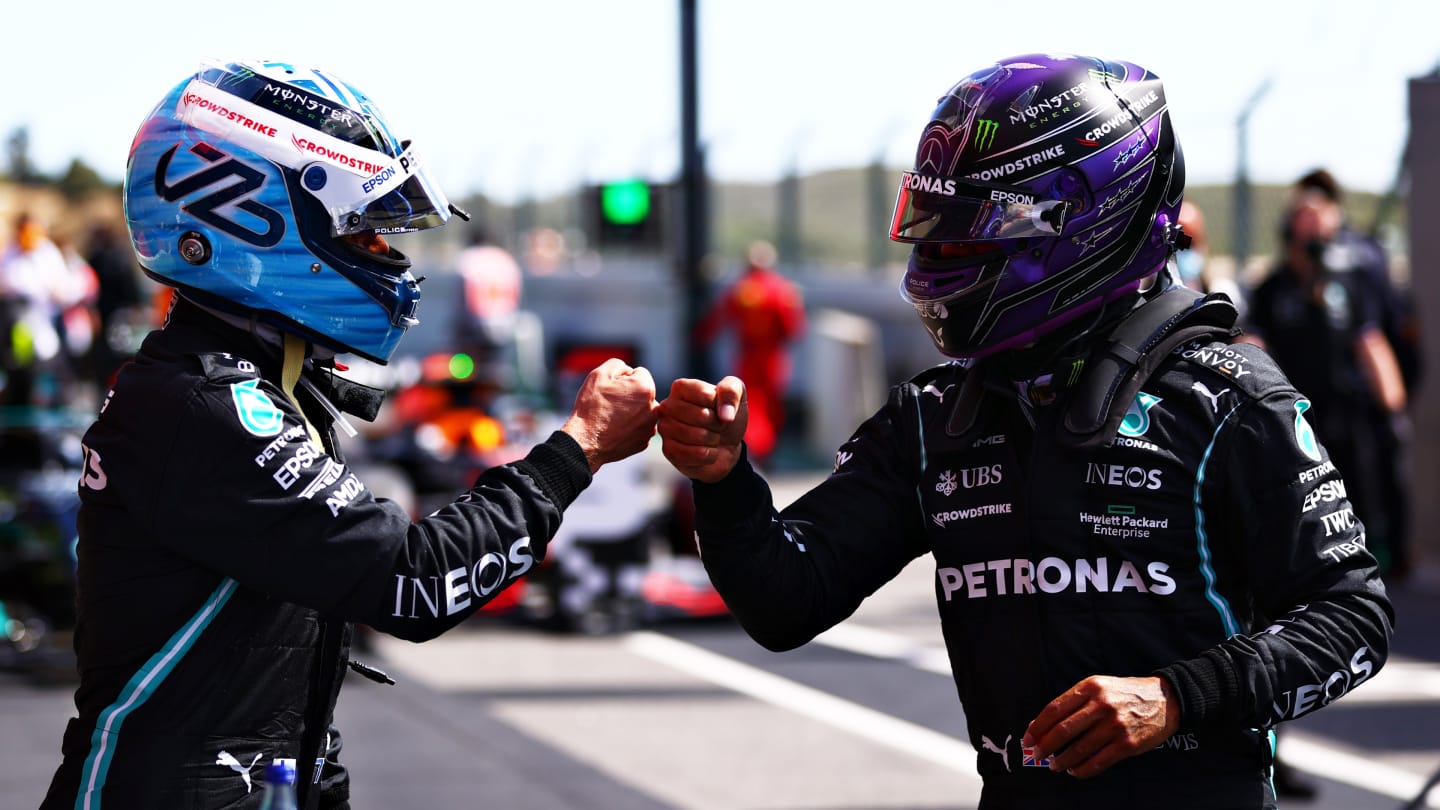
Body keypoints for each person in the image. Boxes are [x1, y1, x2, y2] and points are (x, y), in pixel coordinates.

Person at [658, 53, 1393, 809]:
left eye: (975, 232)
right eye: (935, 230)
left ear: (1087, 218)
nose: (940, 259)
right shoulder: (935, 417)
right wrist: (724, 481)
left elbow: (1354, 616)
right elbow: (785, 602)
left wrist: (1177, 698)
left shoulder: (1226, 403)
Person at [41, 59, 659, 810]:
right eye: (362, 231)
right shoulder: (207, 404)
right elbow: (414, 583)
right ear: (247, 219)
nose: (386, 256)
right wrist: (577, 450)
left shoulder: (248, 383)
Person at [1243, 189, 1411, 581]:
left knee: (1359, 490)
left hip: (1347, 410)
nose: (1316, 239)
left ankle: (1363, 572)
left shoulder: (1347, 284)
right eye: (1307, 227)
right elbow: (1253, 342)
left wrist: (1393, 404)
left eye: (1323, 229)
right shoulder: (1273, 287)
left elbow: (1369, 339)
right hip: (1297, 416)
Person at [692, 239, 805, 466]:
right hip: (773, 356)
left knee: (749, 402)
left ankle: (754, 450)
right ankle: (766, 452)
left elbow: (719, 318)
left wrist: (699, 337)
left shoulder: (742, 289)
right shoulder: (783, 290)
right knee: (771, 404)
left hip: (748, 354)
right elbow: (794, 329)